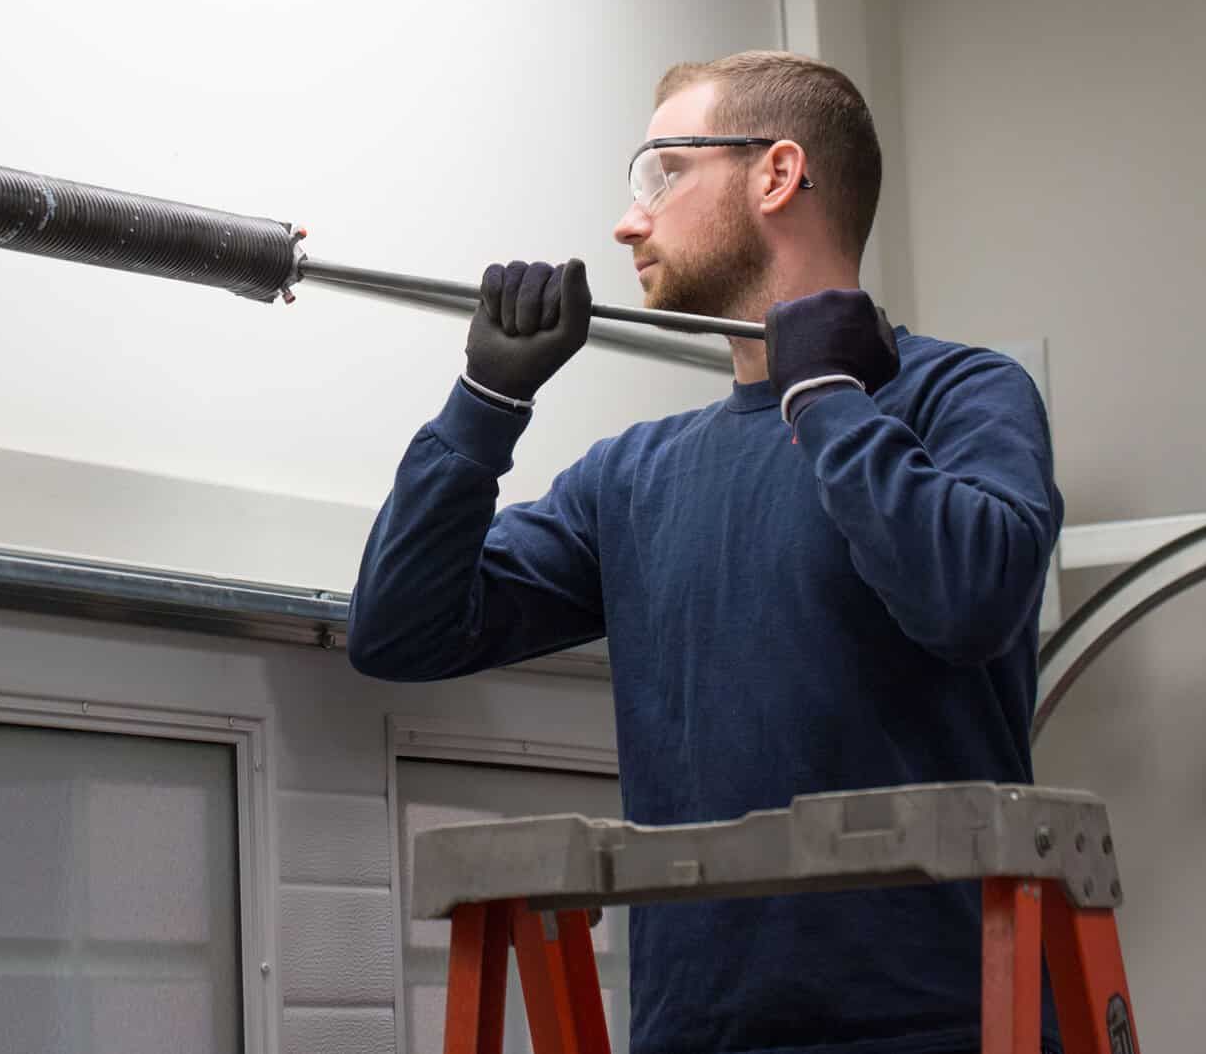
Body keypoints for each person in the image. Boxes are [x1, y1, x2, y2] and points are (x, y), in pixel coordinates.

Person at [347, 51, 1064, 1053]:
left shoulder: (962, 397)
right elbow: (399, 630)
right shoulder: (635, 476)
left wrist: (824, 399)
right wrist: (484, 404)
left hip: (940, 1027)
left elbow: (966, 600)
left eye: (661, 174)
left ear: (774, 175)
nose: (627, 221)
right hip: (700, 1032)